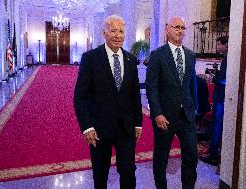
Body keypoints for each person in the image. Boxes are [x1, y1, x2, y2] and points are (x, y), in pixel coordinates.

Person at [73, 15, 142, 189]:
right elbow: (80, 96)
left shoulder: (131, 60)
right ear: (104, 33)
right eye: (113, 31)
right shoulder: (91, 58)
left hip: (126, 128)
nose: (118, 35)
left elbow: (135, 95)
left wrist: (138, 124)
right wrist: (87, 127)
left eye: (121, 31)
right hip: (99, 129)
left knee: (128, 171)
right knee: (100, 173)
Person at [146, 16, 198, 189]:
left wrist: (194, 109)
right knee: (161, 157)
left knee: (191, 156)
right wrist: (157, 113)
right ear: (167, 29)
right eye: (176, 27)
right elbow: (151, 86)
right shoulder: (157, 55)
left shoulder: (190, 55)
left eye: (183, 28)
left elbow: (191, 85)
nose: (180, 30)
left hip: (187, 116)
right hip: (165, 117)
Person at [200, 36, 228, 166]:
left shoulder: (228, 58)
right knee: (216, 125)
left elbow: (226, 81)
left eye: (219, 45)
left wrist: (213, 79)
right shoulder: (225, 58)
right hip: (220, 97)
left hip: (221, 98)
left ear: (226, 45)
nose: (217, 47)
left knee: (217, 125)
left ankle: (213, 155)